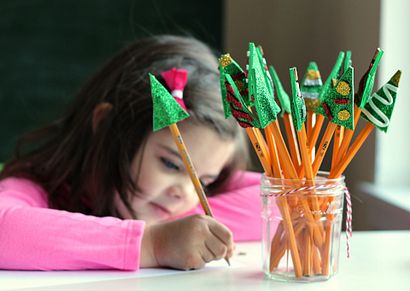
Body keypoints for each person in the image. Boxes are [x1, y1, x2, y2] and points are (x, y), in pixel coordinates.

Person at [0, 35, 264, 271]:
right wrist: (154, 243)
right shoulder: (35, 186)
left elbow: (281, 197)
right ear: (106, 127)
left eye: (205, 182)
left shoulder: (171, 199)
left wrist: (185, 231)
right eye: (170, 164)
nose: (185, 193)